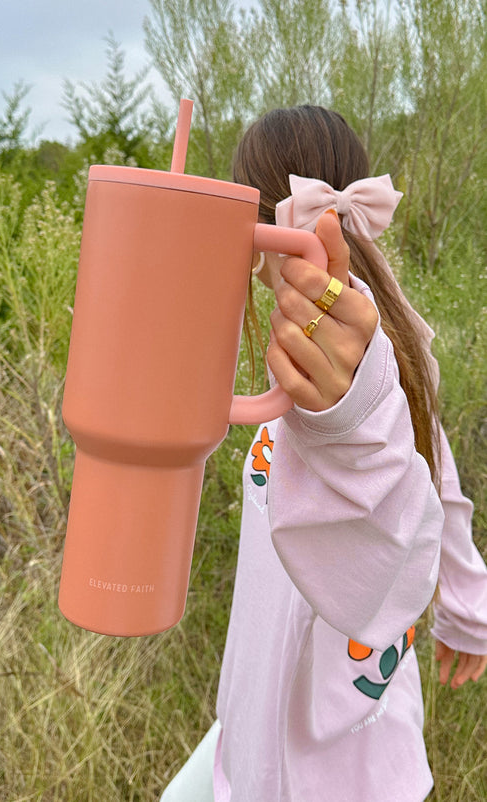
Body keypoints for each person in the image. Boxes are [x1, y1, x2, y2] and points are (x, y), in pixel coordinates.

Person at [160, 106, 487, 802]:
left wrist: (466, 607)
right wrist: (467, 607)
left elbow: (400, 480)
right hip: (262, 715)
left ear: (253, 217)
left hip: (333, 753)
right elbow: (441, 479)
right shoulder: (374, 327)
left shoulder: (349, 350)